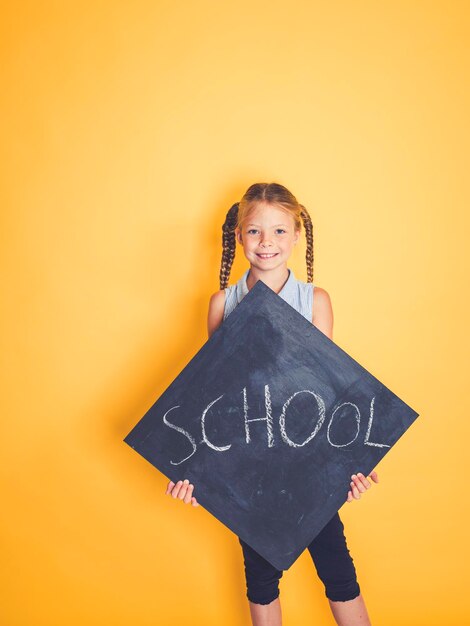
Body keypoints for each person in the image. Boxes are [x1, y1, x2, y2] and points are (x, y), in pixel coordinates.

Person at [165, 182, 379, 626]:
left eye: (280, 232)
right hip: (252, 469)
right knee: (261, 577)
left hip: (308, 464)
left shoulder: (314, 301)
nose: (268, 243)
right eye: (256, 232)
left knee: (338, 570)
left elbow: (329, 390)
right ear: (239, 237)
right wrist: (192, 472)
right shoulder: (223, 304)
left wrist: (355, 460)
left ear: (297, 235)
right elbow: (216, 400)